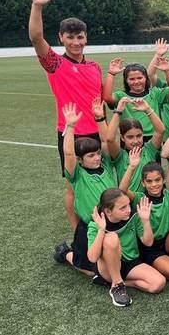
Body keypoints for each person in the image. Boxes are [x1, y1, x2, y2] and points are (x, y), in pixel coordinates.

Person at [29, 0, 103, 231]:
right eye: (70, 37)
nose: (76, 42)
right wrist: (37, 6)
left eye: (80, 37)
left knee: (100, 181)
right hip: (71, 133)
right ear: (61, 38)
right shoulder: (55, 64)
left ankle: (103, 225)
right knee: (73, 186)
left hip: (97, 133)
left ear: (86, 37)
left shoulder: (95, 66)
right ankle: (77, 233)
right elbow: (36, 39)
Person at [54, 102, 117, 278]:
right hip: (90, 227)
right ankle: (66, 253)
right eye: (91, 155)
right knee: (90, 271)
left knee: (112, 262)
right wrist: (70, 127)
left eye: (97, 153)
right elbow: (68, 153)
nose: (97, 158)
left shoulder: (106, 165)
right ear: (80, 160)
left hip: (113, 222)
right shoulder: (77, 174)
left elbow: (105, 140)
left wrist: (100, 118)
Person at [119, 149, 169, 280]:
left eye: (157, 180)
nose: (154, 184)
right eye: (149, 181)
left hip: (166, 241)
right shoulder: (140, 198)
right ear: (143, 183)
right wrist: (132, 167)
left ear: (163, 180)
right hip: (149, 247)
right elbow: (122, 190)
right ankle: (154, 264)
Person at [87, 189, 166, 307]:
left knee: (158, 284)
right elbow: (92, 258)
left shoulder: (133, 216)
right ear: (108, 211)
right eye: (123, 208)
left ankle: (116, 283)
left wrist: (145, 221)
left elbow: (148, 243)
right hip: (108, 267)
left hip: (130, 263)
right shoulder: (96, 224)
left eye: (128, 205)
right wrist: (101, 230)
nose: (128, 209)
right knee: (111, 238)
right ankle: (116, 286)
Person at [102, 58, 169, 141]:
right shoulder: (121, 96)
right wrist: (111, 73)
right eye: (131, 79)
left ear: (146, 78)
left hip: (154, 137)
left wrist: (167, 70)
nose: (136, 82)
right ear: (126, 80)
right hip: (129, 138)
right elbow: (107, 97)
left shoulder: (155, 93)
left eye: (139, 78)